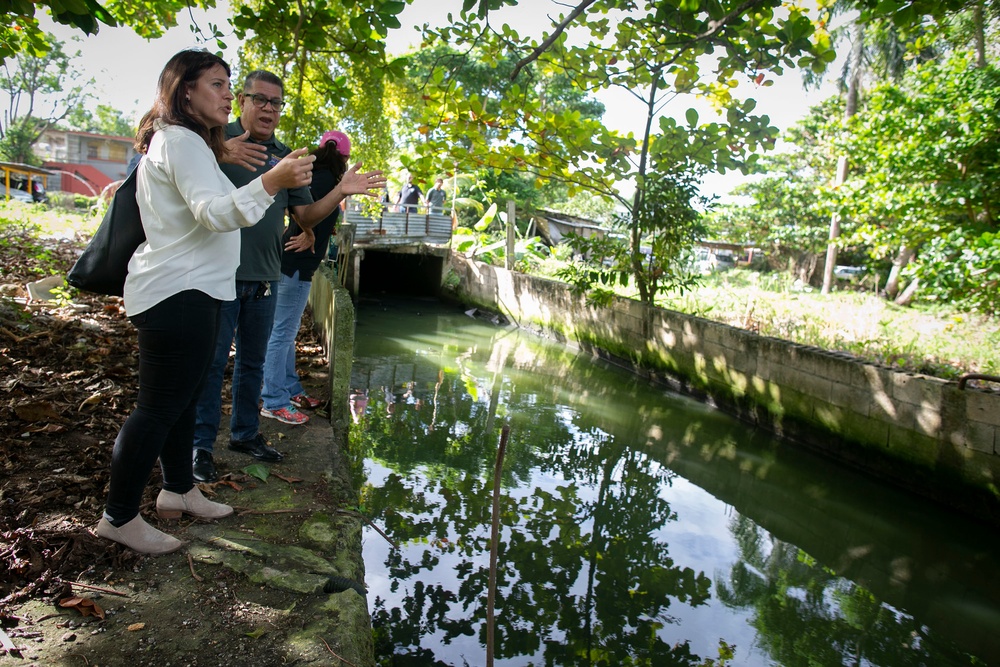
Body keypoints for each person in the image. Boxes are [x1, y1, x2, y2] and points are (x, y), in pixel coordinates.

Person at [96, 49, 315, 554]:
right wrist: (271, 181)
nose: (227, 94)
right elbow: (215, 213)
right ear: (186, 89)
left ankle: (178, 490)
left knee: (184, 402)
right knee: (156, 409)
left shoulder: (191, 144)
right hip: (178, 293)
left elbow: (203, 206)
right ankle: (119, 516)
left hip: (197, 291)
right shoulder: (178, 140)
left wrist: (229, 160)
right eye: (218, 85)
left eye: (227, 83)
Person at [191, 70, 386, 483]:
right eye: (259, 100)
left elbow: (305, 215)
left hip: (265, 274)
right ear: (240, 101)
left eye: (276, 103)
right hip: (216, 273)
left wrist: (340, 192)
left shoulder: (286, 156)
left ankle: (245, 434)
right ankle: (200, 446)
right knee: (209, 364)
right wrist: (218, 150)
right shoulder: (208, 140)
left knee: (253, 362)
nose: (268, 109)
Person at [260, 129, 352, 425]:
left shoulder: (317, 173)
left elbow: (306, 210)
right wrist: (307, 231)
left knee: (285, 333)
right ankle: (272, 400)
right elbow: (299, 208)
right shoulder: (326, 177)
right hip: (295, 264)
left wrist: (316, 230)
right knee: (282, 334)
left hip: (296, 262)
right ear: (342, 157)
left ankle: (290, 389)